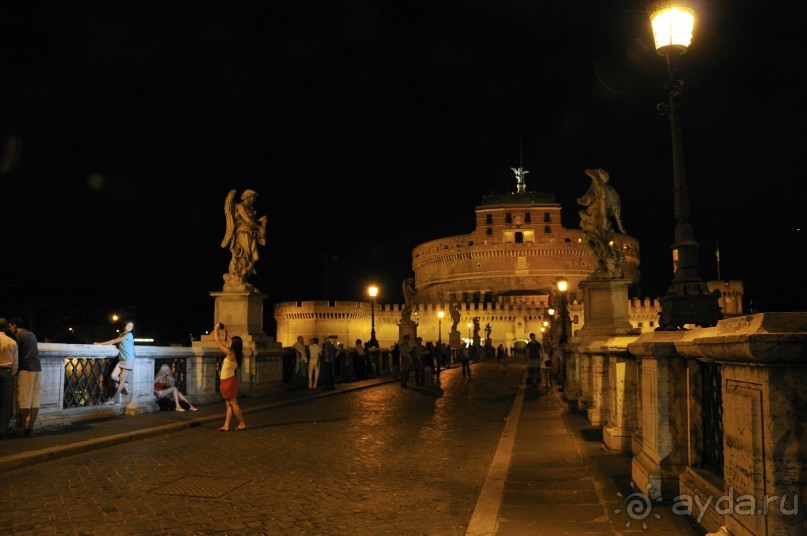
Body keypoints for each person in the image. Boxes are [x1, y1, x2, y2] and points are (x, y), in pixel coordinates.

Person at [221, 189, 268, 282]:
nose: (253, 200)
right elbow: (247, 220)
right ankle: (238, 274)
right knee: (243, 256)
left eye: (254, 198)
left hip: (251, 234)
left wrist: (261, 221)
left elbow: (252, 222)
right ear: (247, 197)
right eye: (252, 198)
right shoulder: (240, 206)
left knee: (255, 257)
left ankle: (245, 272)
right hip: (242, 233)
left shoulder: (251, 209)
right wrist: (259, 227)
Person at [8, 317, 41, 436]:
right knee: (35, 400)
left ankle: (21, 428)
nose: (10, 329)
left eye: (10, 326)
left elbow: (14, 352)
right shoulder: (32, 335)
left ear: (14, 325)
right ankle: (30, 428)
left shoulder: (19, 336)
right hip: (37, 368)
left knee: (24, 400)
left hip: (26, 369)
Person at [213, 324, 247, 431]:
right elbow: (229, 339)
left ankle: (242, 423)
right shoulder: (236, 353)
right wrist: (224, 331)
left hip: (228, 381)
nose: (229, 341)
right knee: (229, 405)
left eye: (231, 341)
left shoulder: (230, 354)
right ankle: (226, 425)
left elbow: (218, 342)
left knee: (233, 403)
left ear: (234, 344)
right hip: (227, 380)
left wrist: (216, 329)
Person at [94, 321, 136, 405]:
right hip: (121, 359)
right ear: (125, 326)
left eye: (131, 326)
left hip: (128, 359)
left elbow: (114, 341)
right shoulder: (122, 335)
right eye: (128, 325)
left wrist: (100, 343)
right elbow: (117, 343)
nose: (130, 327)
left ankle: (113, 399)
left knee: (121, 380)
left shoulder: (129, 335)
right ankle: (125, 384)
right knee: (113, 376)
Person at [0, 318, 18, 440]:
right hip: (5, 372)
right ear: (6, 328)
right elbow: (15, 363)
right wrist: (10, 374)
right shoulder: (11, 342)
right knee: (5, 404)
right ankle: (3, 432)